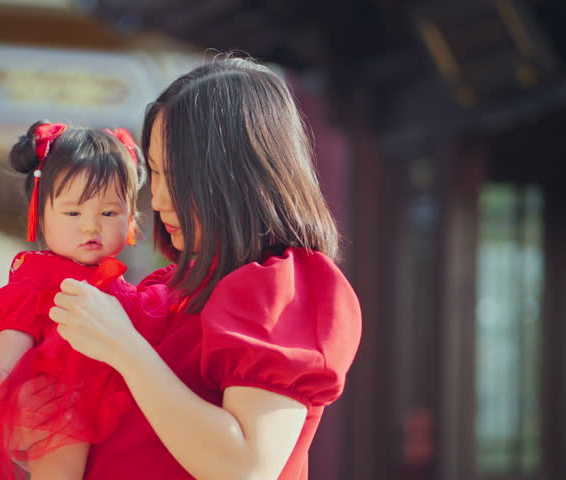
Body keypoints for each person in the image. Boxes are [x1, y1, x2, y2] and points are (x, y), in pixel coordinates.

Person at [46, 57, 362, 480]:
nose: (156, 200)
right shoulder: (173, 289)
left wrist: (124, 348)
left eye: (175, 176)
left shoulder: (282, 288)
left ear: (235, 175)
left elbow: (247, 467)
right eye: (153, 175)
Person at [0, 122, 164, 480]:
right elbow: (16, 328)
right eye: (73, 213)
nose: (91, 226)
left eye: (108, 213)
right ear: (40, 214)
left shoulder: (124, 289)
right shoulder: (39, 277)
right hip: (57, 400)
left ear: (131, 217)